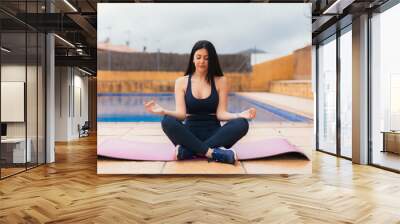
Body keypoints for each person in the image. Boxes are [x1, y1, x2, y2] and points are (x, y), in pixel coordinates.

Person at [144, 40, 256, 165]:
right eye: (198, 57)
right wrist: (164, 111)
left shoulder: (221, 81)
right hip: (189, 134)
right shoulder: (181, 82)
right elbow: (181, 115)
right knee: (167, 121)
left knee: (242, 124)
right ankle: (212, 153)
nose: (201, 61)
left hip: (215, 134)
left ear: (212, 60)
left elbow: (221, 114)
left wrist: (240, 115)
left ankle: (189, 151)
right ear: (193, 59)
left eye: (206, 58)